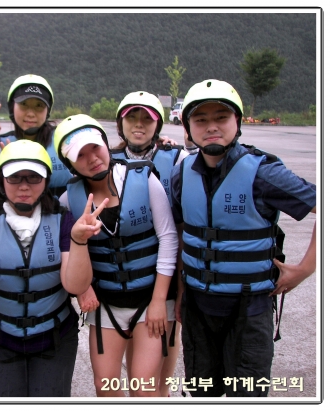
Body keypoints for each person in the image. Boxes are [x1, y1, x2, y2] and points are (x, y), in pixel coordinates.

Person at [171, 79, 316, 397]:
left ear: (237, 121)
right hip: (198, 308)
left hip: (248, 310)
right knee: (203, 393)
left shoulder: (263, 173)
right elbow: (183, 236)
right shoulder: (181, 174)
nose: (211, 126)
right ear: (188, 127)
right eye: (201, 119)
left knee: (246, 396)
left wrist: (306, 268)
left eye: (221, 117)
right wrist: (181, 292)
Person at [0, 139, 107, 397]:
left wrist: (79, 240)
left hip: (54, 335)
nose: (24, 186)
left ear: (46, 181)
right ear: (2, 181)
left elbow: (76, 286)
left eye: (34, 177)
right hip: (0, 336)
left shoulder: (62, 218)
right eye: (15, 177)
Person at [54, 114, 178, 397]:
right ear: (70, 164)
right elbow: (67, 253)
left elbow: (169, 238)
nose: (92, 159)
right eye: (80, 155)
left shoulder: (144, 179)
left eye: (95, 148)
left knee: (143, 387)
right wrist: (82, 288)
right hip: (106, 304)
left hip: (151, 300)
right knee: (105, 387)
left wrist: (160, 300)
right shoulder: (68, 201)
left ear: (105, 144)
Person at [110, 91, 188, 396]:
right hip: (129, 274)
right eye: (132, 117)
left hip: (168, 270)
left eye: (147, 118)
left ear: (158, 126)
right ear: (121, 124)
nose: (139, 124)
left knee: (166, 340)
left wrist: (180, 288)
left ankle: (162, 397)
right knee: (137, 356)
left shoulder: (177, 158)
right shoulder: (108, 160)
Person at [0, 74, 72, 197]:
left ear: (47, 111)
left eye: (39, 106)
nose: (30, 114)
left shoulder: (66, 142)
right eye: (24, 104)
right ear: (12, 107)